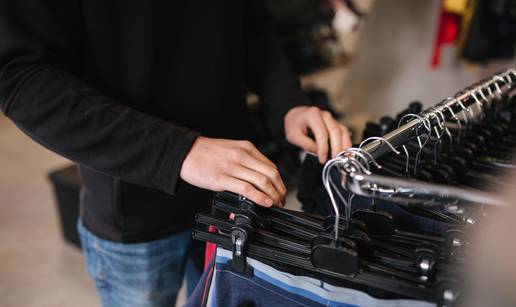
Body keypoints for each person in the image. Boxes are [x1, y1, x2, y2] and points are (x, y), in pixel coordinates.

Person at [0, 1, 351, 306]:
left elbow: (250, 23)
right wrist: (177, 151)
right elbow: (22, 76)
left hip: (233, 198)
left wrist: (288, 103)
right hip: (134, 207)